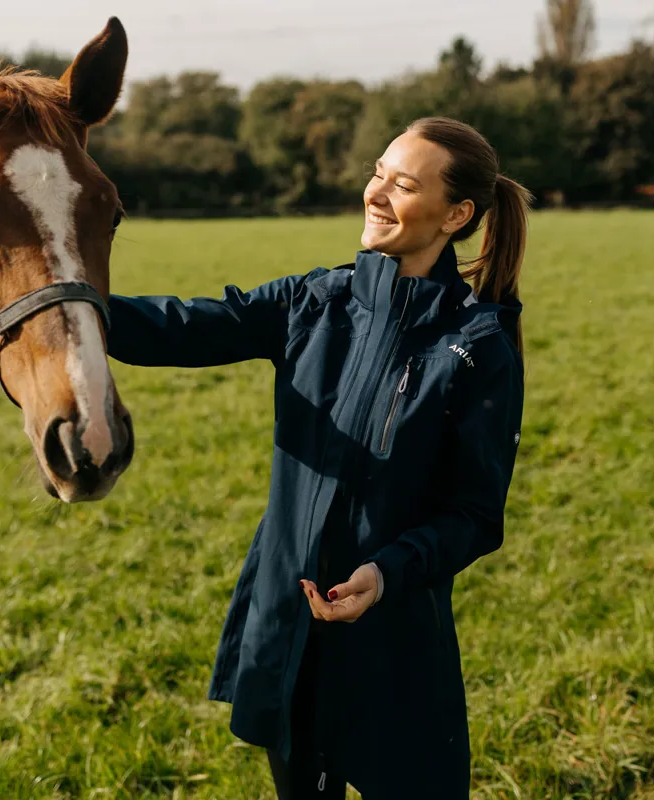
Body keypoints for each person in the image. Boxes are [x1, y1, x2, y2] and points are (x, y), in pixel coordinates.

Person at [107, 117, 529, 799]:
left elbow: (476, 515)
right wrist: (59, 304)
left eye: (404, 184)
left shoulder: (477, 345)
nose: (377, 193)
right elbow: (179, 326)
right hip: (290, 628)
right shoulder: (314, 302)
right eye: (377, 173)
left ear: (457, 215)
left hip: (392, 648)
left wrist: (388, 572)